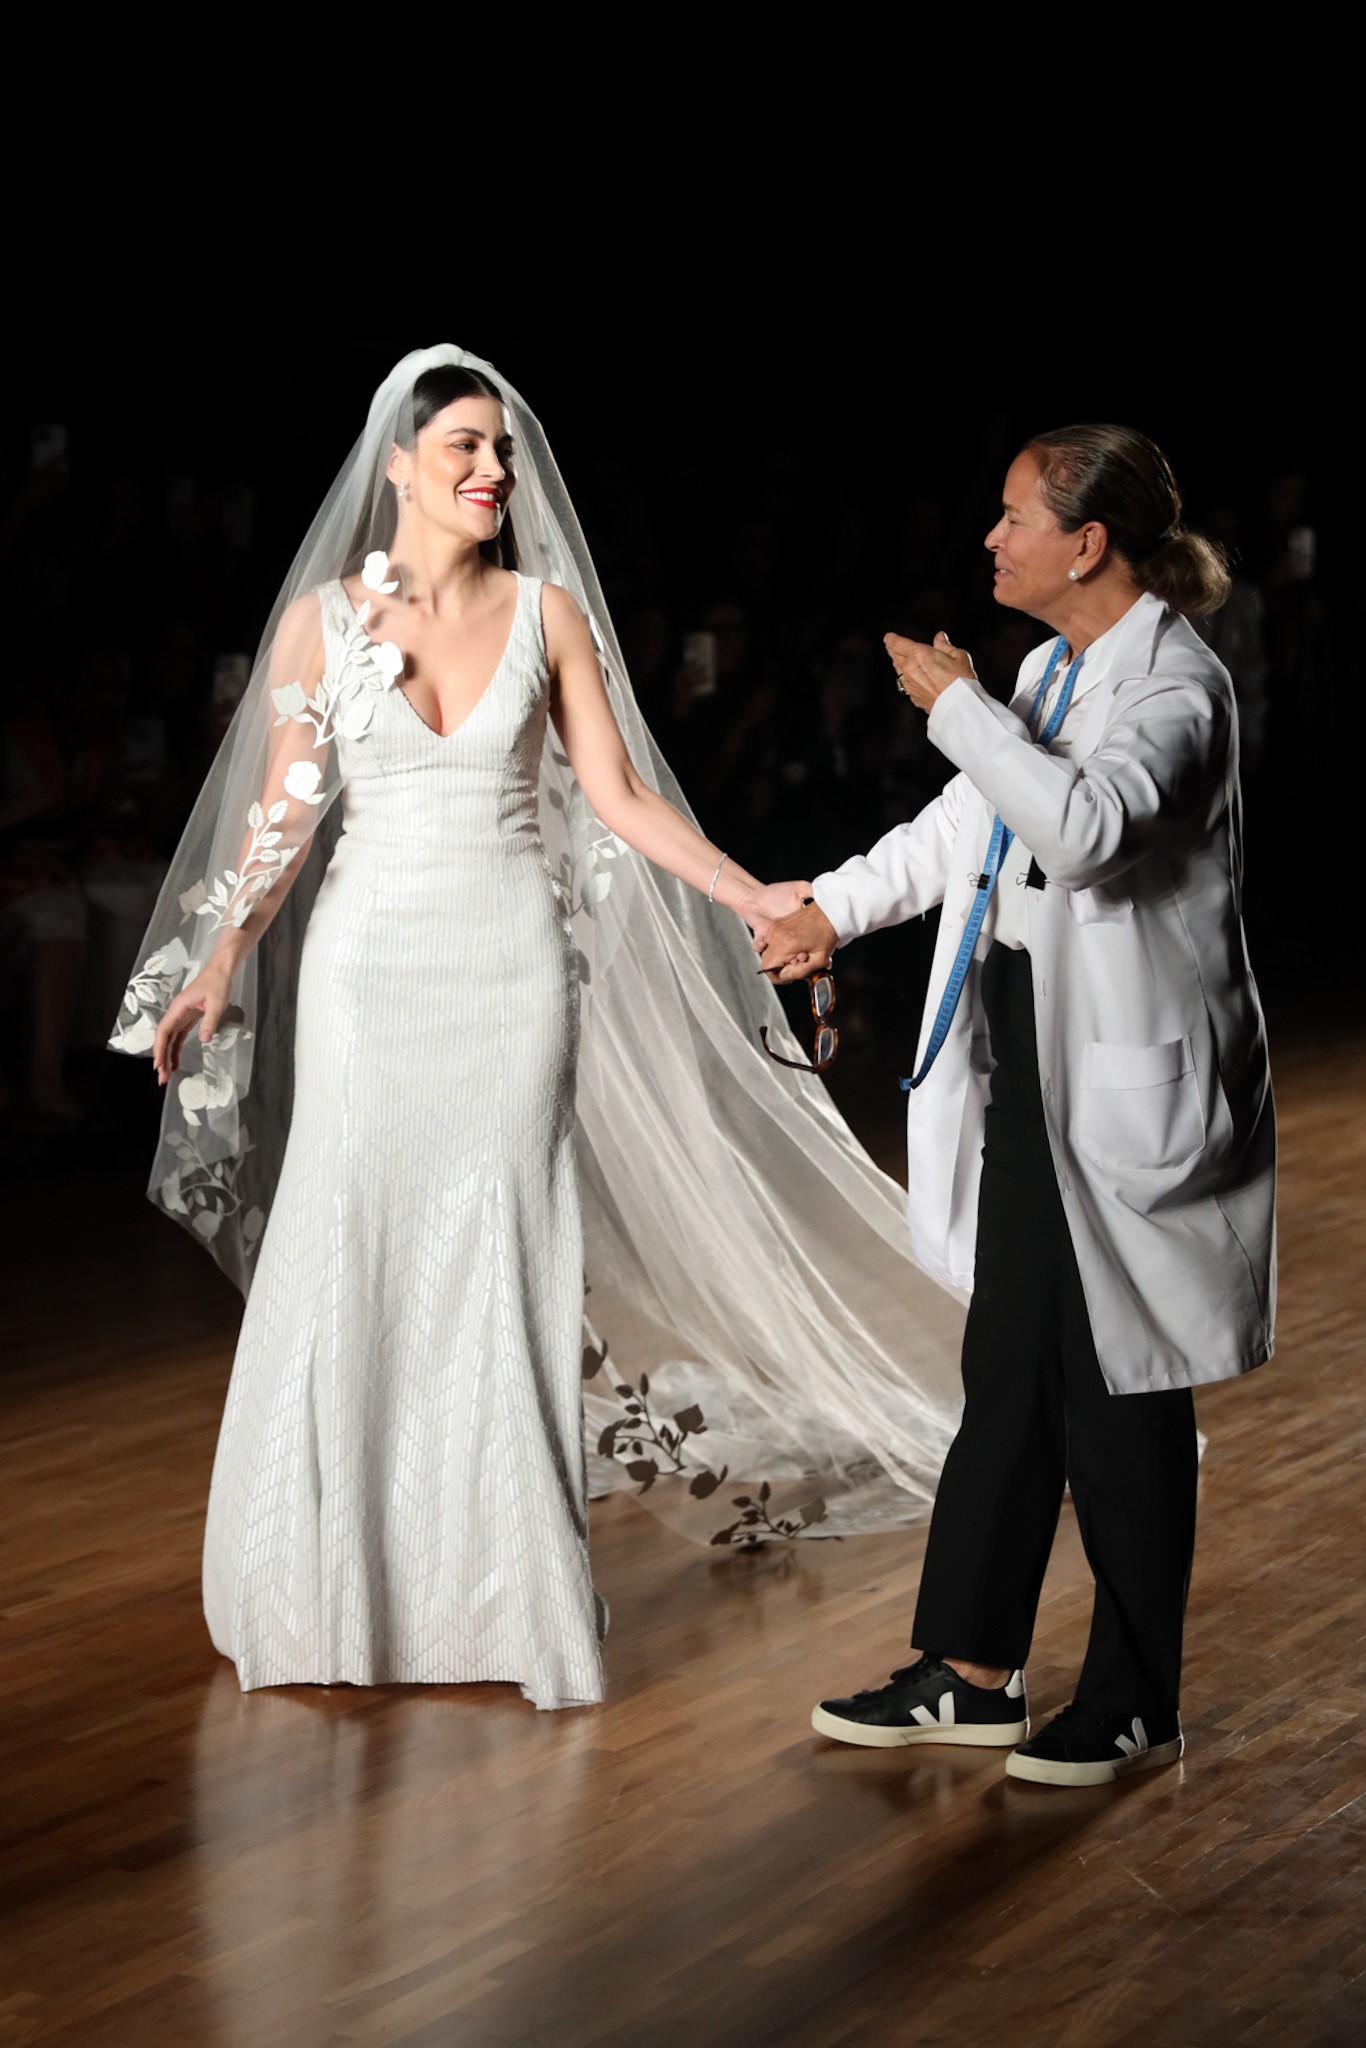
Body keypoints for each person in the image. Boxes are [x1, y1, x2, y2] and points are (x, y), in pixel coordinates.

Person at [111, 348, 967, 1708]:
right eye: (460, 447)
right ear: (396, 467)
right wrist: (219, 965)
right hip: (364, 974)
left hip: (509, 969)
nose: (489, 471)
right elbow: (284, 821)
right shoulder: (322, 626)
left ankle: (503, 1604)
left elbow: (620, 802)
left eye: (500, 448)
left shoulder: (548, 614)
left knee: (502, 1245)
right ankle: (329, 1587)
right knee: (352, 1240)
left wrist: (749, 890)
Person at [759, 424, 1275, 1786]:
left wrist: (954, 705)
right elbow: (965, 827)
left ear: (1084, 543)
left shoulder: (1177, 689)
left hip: (1116, 1094)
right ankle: (972, 1674)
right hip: (1026, 1072)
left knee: (1121, 1390)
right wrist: (831, 908)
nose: (989, 541)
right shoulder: (1048, 667)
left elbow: (1082, 829)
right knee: (1012, 1378)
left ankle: (1134, 1695)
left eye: (1010, 518)